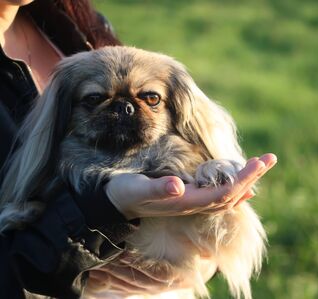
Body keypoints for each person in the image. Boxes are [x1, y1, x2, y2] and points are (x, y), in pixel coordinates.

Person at [0, 0, 277, 298]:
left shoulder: (75, 23)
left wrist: (199, 254)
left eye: (150, 98)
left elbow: (228, 244)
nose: (125, 109)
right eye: (95, 99)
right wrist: (109, 207)